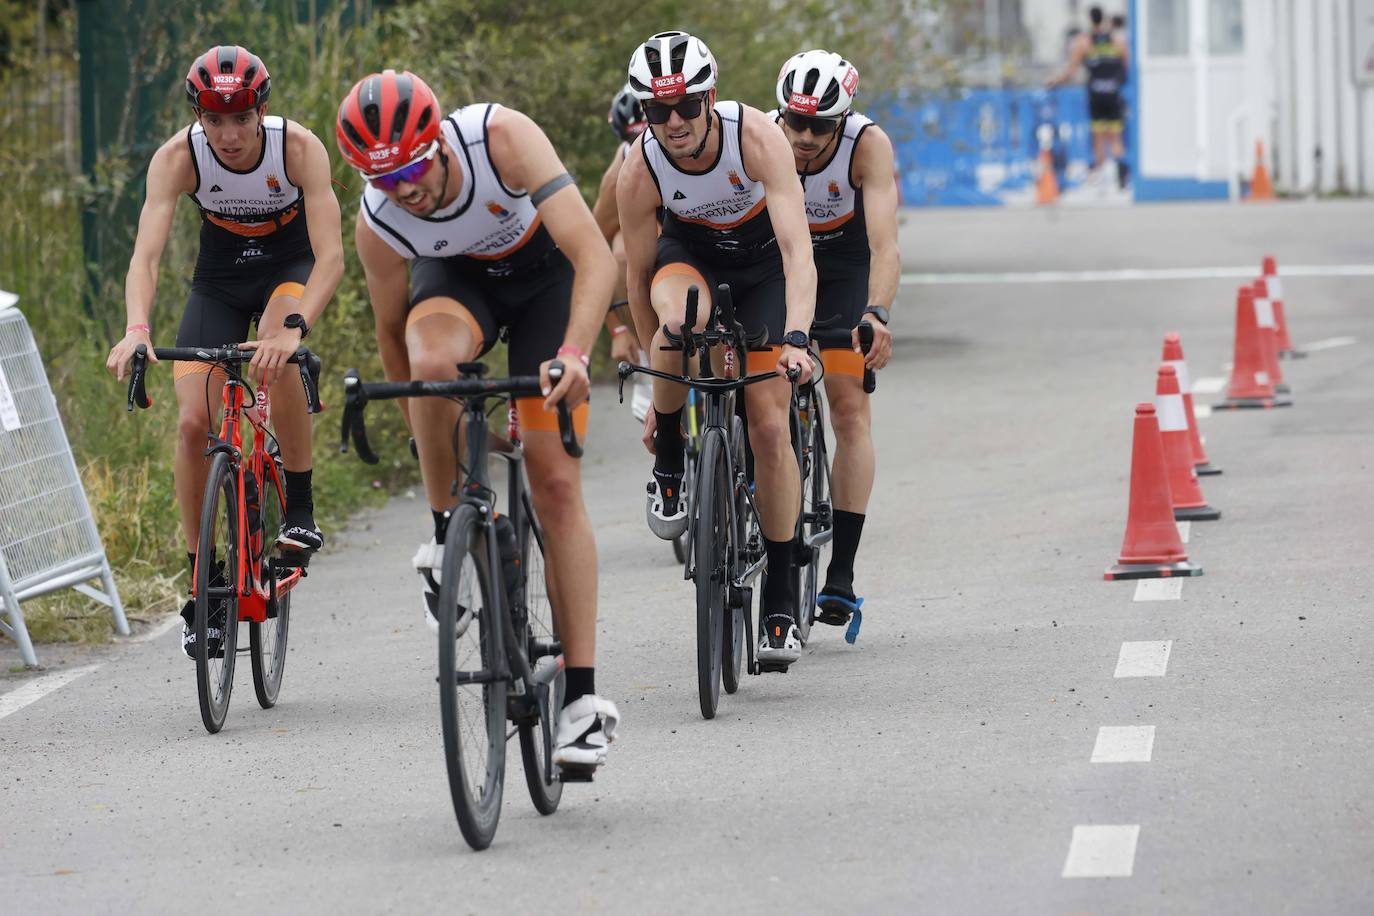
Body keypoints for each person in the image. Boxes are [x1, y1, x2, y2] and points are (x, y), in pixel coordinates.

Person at [336, 69, 620, 771]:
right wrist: (421, 418)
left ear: (434, 141)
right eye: (382, 179)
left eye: (408, 168)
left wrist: (577, 355)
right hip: (456, 285)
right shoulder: (380, 221)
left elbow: (592, 256)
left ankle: (581, 699)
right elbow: (391, 334)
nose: (403, 189)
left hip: (545, 284)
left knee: (555, 486)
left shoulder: (503, 139)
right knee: (429, 366)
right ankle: (445, 535)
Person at [104, 45, 343, 659]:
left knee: (273, 351)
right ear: (199, 117)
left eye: (241, 118)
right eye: (215, 119)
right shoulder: (177, 159)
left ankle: (300, 506)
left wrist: (296, 327)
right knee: (191, 423)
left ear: (261, 109)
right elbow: (146, 257)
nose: (230, 134)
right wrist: (136, 329)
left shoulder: (298, 148)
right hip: (218, 277)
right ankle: (204, 581)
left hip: (290, 265)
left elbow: (332, 257)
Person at [616, 31, 817, 668]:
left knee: (765, 425)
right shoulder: (640, 166)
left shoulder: (756, 137)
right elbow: (637, 280)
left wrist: (797, 339)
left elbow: (797, 250)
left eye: (686, 105)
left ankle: (781, 594)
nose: (673, 122)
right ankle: (672, 456)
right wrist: (656, 384)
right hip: (690, 258)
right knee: (677, 327)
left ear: (711, 96)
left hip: (763, 269)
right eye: (656, 110)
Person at [771, 49, 897, 628]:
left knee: (849, 411)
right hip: (777, 260)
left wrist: (877, 313)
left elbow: (884, 246)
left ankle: (840, 572)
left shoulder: (867, 146)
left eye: (819, 125)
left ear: (842, 121)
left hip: (843, 264)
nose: (803, 135)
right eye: (794, 121)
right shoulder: (765, 137)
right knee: (760, 397)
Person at [593, 84, 653, 421]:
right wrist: (616, 328)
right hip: (647, 263)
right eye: (634, 141)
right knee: (618, 251)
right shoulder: (618, 176)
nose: (644, 149)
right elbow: (590, 252)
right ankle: (648, 361)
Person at [1047, 5, 1129, 188]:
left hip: (1096, 95)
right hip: (1113, 94)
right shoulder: (1117, 41)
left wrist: (1055, 82)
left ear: (1091, 20)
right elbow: (1126, 67)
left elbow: (1071, 71)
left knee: (1098, 135)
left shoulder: (1084, 42)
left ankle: (1099, 172)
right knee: (1115, 136)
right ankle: (1121, 169)